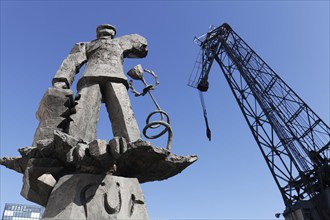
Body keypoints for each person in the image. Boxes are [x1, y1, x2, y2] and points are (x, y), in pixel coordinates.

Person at [52, 24, 148, 143]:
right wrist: (61, 80)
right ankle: (76, 141)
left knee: (123, 109)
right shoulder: (86, 45)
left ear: (114, 34)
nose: (106, 30)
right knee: (84, 108)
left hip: (116, 77)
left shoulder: (121, 42)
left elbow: (142, 47)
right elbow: (72, 61)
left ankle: (132, 143)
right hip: (91, 77)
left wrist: (137, 41)